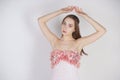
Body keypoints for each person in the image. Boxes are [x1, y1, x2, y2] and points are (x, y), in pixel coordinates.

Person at [38, 6, 106, 80]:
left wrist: (84, 16)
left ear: (74, 29)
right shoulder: (54, 41)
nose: (65, 27)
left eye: (70, 26)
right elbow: (40, 20)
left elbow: (102, 30)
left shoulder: (78, 43)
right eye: (64, 23)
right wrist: (61, 11)